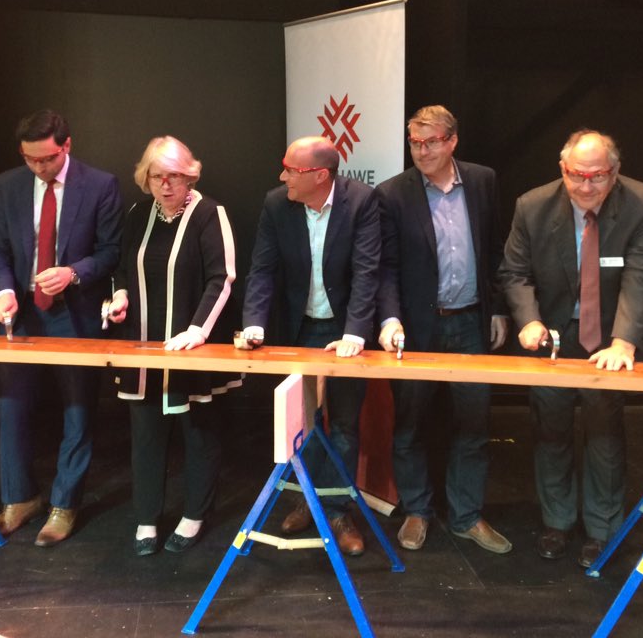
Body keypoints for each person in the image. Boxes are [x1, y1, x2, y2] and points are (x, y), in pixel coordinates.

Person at [498, 129, 643, 568]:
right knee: (550, 427)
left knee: (604, 431)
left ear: (615, 172)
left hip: (608, 335)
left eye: (598, 176)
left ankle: (602, 530)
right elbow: (514, 272)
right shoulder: (532, 206)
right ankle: (557, 521)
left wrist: (624, 342)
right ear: (562, 169)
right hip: (552, 332)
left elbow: (641, 277)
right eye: (576, 176)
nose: (586, 186)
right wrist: (529, 320)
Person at [0, 109, 122, 546]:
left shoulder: (100, 185)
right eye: (30, 159)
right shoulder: (9, 184)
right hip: (21, 313)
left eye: (47, 159)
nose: (39, 167)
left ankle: (65, 503)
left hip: (73, 312)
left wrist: (73, 273)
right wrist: (4, 290)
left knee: (78, 409)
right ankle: (19, 497)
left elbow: (111, 251)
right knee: (11, 407)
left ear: (67, 145)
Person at [377, 105, 512, 555]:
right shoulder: (393, 193)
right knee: (410, 423)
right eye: (415, 142)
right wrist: (390, 318)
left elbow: (494, 249)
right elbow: (386, 267)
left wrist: (498, 309)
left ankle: (466, 516)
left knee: (473, 423)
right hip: (417, 328)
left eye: (431, 142)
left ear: (452, 141)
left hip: (471, 321)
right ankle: (417, 509)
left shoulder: (482, 181)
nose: (422, 151)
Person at [242, 135, 380, 557]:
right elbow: (262, 270)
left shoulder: (361, 202)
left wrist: (356, 332)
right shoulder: (276, 204)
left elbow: (367, 271)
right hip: (298, 328)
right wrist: (253, 324)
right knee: (304, 424)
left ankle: (337, 511)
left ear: (320, 176)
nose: (282, 176)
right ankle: (309, 501)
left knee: (345, 423)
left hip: (345, 330)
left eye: (291, 170)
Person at [107, 136, 239, 556]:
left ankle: (195, 514)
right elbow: (122, 269)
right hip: (144, 348)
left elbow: (222, 278)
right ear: (145, 178)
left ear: (190, 176)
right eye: (157, 176)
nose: (165, 185)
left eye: (175, 176)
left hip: (192, 348)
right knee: (145, 434)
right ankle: (147, 518)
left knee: (198, 434)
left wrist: (198, 330)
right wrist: (120, 297)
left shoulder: (209, 214)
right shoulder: (137, 214)